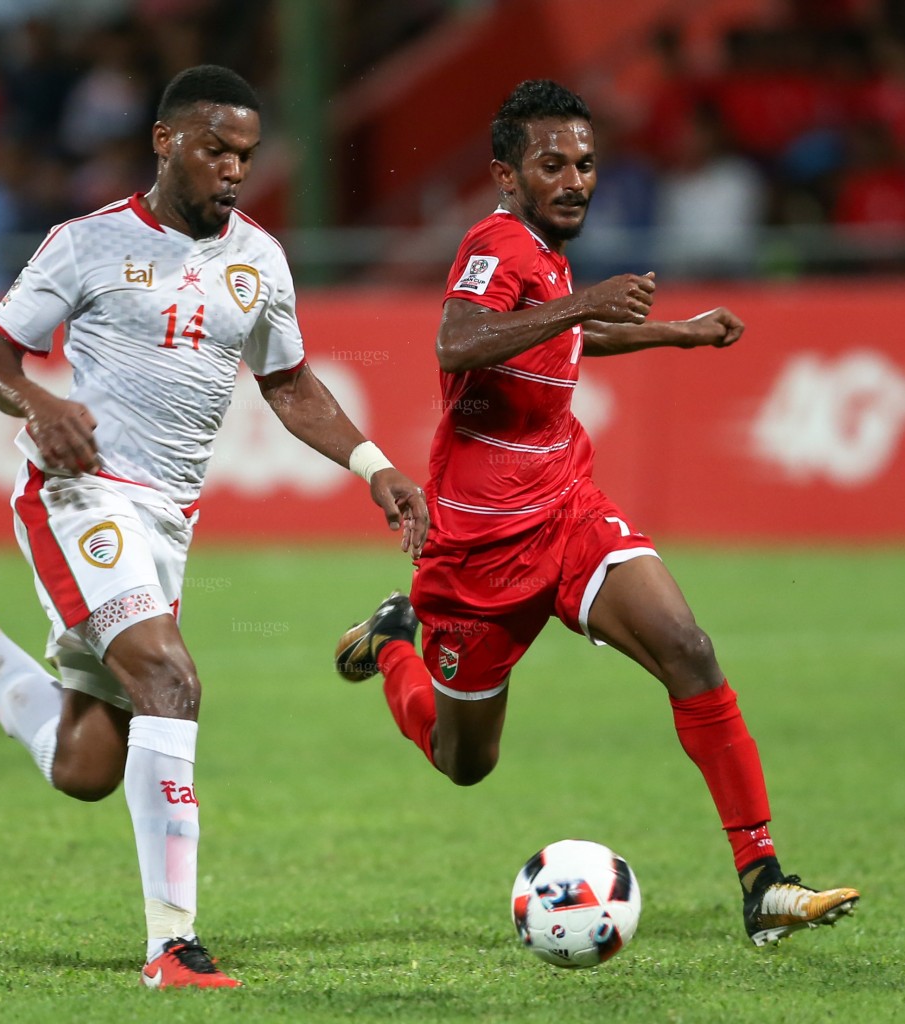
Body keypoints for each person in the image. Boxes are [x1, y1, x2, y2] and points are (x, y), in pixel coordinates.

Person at [0, 65, 428, 989]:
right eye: (217, 150)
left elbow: (287, 383)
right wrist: (38, 401)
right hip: (78, 495)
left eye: (246, 154)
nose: (235, 170)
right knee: (171, 677)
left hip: (166, 522)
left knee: (86, 762)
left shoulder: (262, 260)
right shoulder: (86, 244)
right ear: (166, 142)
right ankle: (172, 945)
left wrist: (376, 467)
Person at [334, 79, 859, 947]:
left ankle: (763, 879)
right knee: (464, 763)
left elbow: (557, 333)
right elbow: (457, 341)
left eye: (584, 163)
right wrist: (584, 301)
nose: (575, 179)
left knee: (688, 650)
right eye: (553, 164)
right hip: (477, 552)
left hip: (567, 511)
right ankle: (395, 642)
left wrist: (675, 332)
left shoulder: (545, 251)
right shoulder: (496, 243)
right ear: (508, 177)